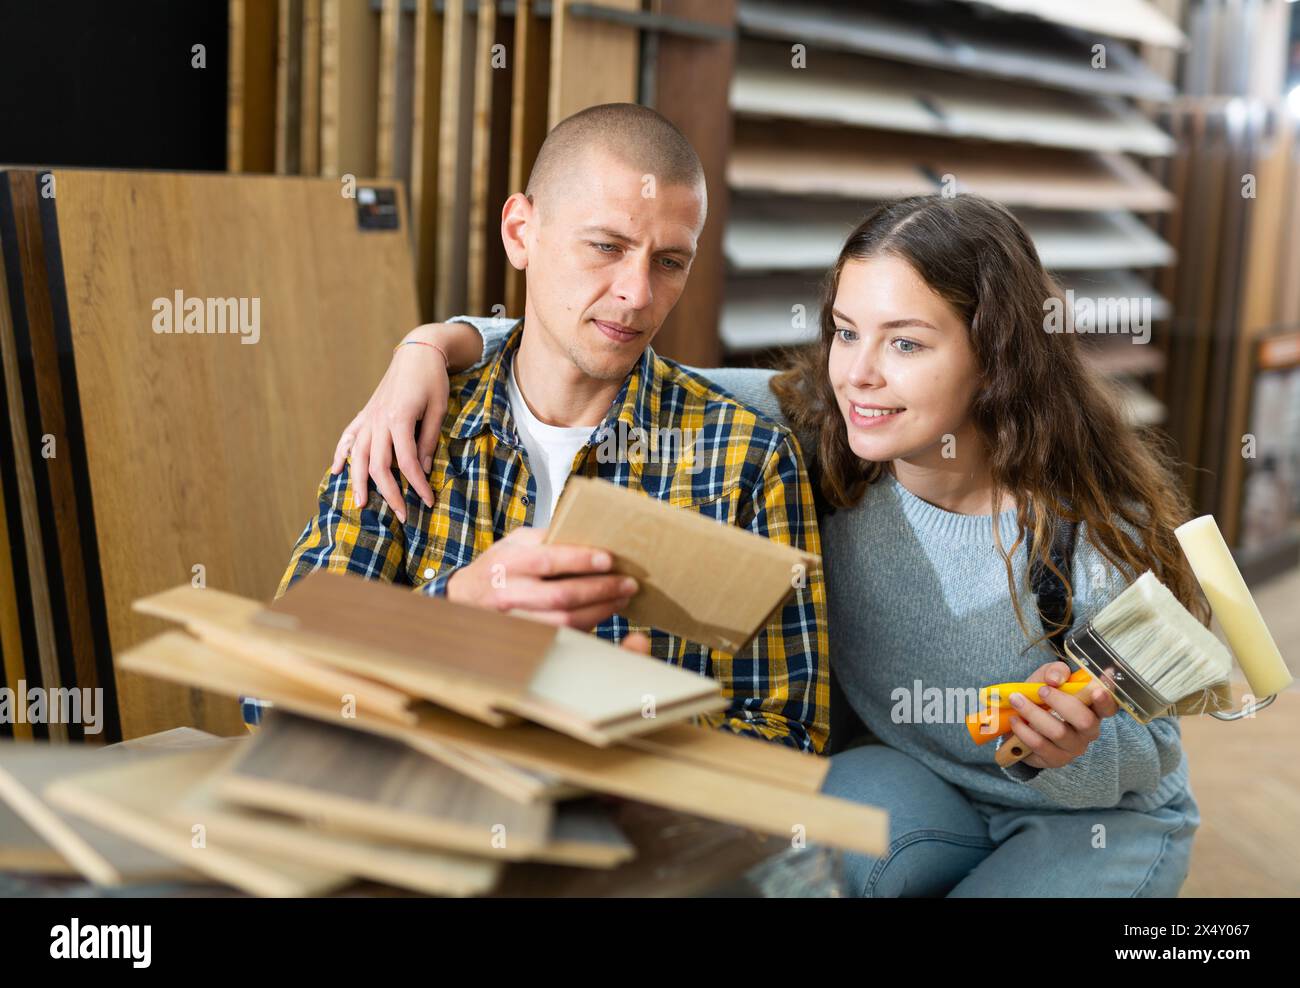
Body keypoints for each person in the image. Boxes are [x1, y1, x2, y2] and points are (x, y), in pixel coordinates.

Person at [339, 193, 1205, 897]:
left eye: (905, 343)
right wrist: (429, 348)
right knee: (793, 870)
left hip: (1088, 815)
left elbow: (1149, 753)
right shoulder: (821, 427)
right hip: (919, 779)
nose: (859, 372)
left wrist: (1072, 750)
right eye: (845, 329)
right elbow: (598, 357)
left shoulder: (1097, 530)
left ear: (996, 355)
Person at [262, 102, 830, 754]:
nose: (637, 294)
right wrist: (449, 616)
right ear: (520, 232)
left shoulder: (745, 460)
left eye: (670, 261)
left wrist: (627, 723)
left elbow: (787, 741)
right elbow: (272, 687)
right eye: (606, 247)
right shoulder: (409, 429)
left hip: (630, 835)